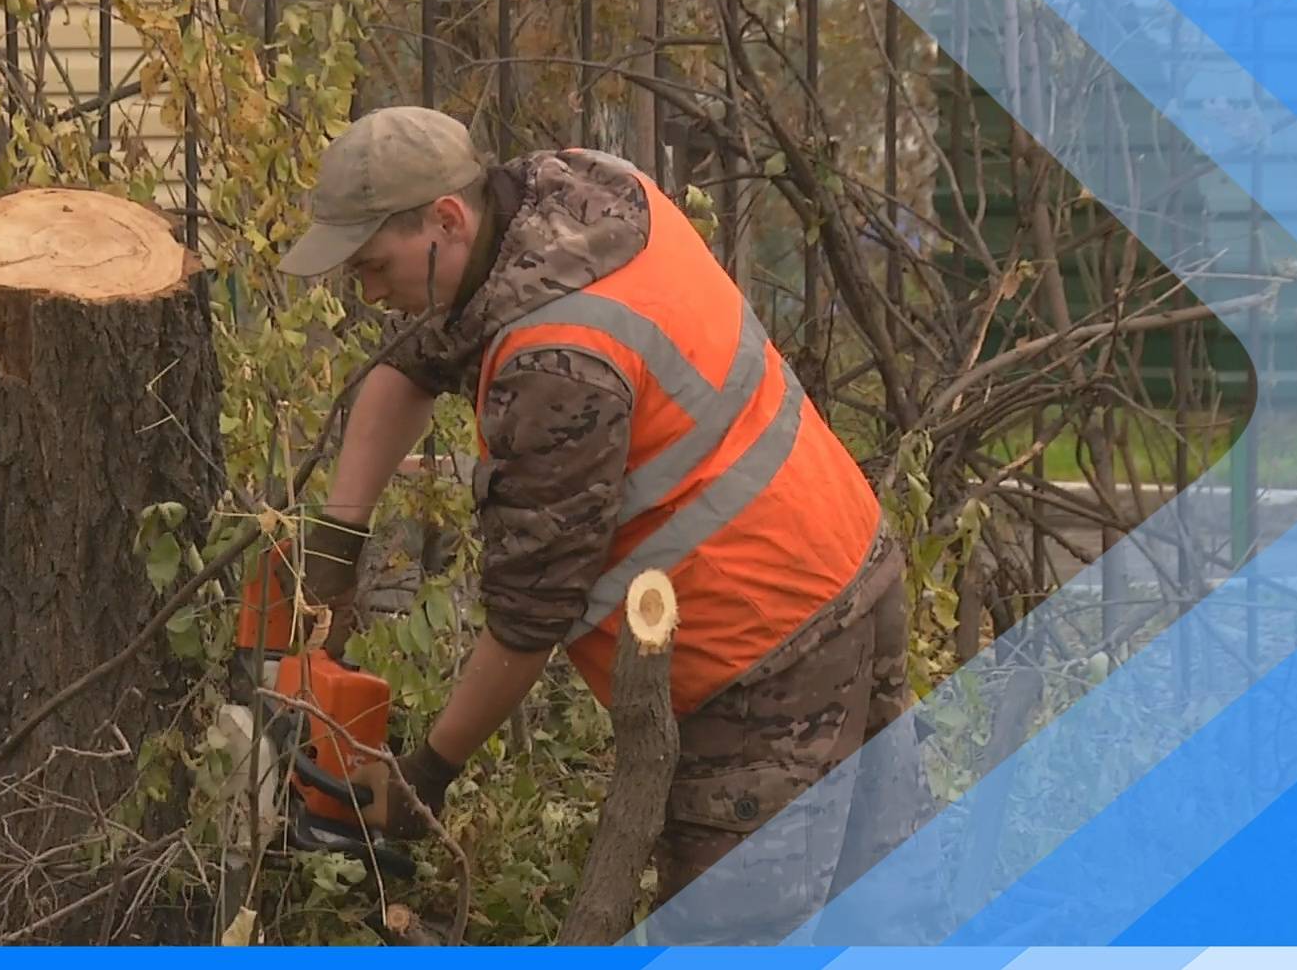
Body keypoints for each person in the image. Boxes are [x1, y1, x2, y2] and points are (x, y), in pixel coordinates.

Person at [278, 106, 921, 938]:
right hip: (849, 559)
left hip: (762, 651)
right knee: (882, 916)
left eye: (372, 265)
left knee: (734, 936)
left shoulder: (555, 366)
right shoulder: (588, 197)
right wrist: (338, 540)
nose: (366, 292)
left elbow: (525, 624)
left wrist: (426, 774)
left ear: (446, 219)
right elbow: (412, 366)